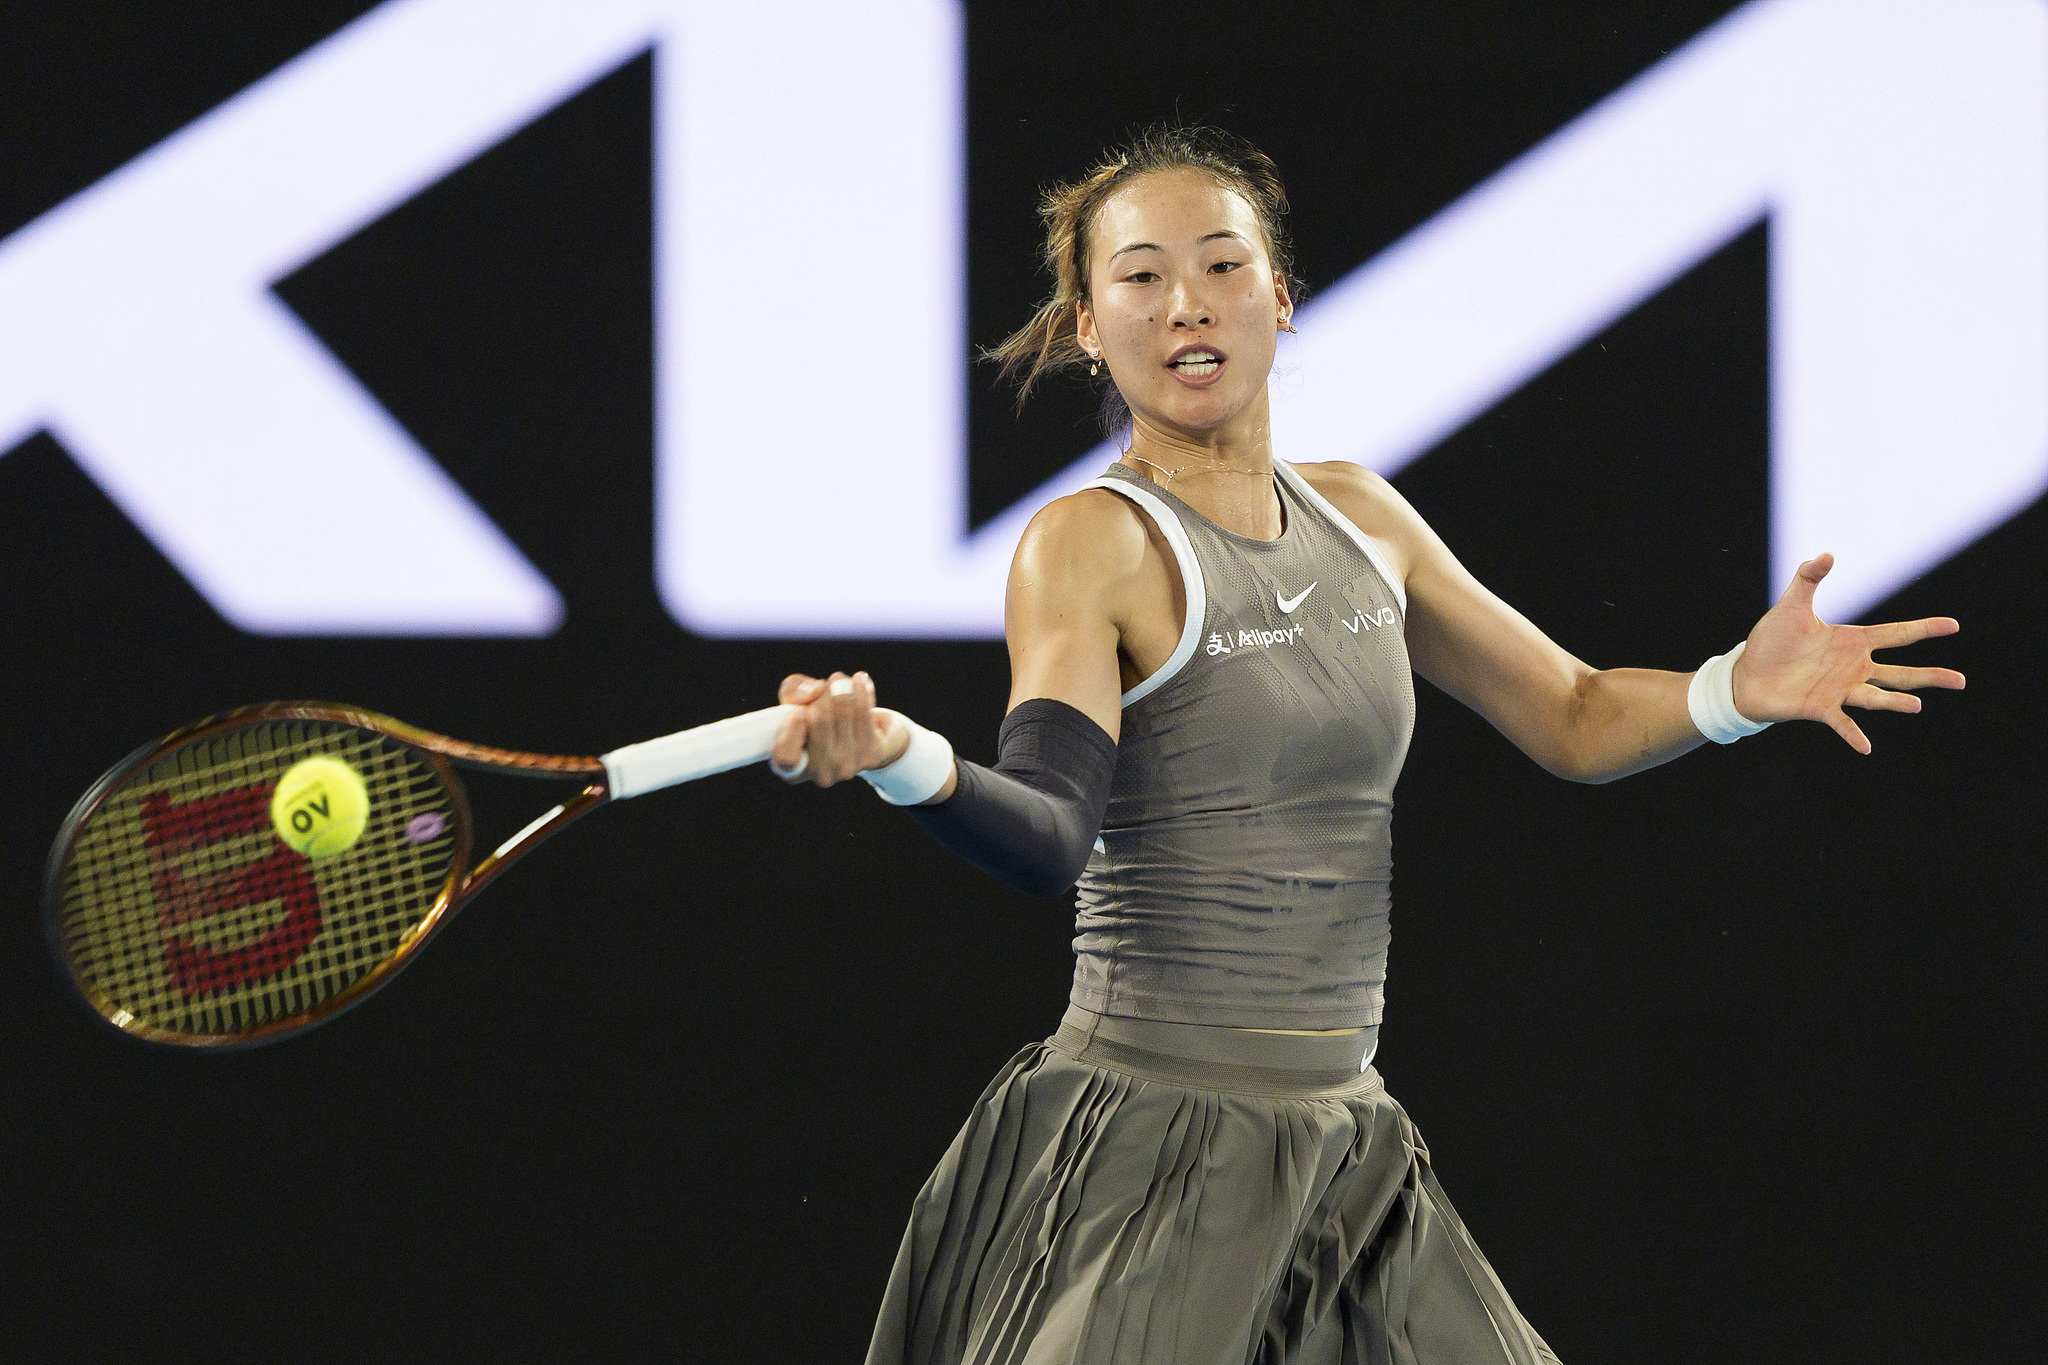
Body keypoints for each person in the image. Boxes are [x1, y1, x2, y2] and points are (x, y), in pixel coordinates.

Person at [766, 125, 1964, 1365]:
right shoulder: (1088, 544)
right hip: (1152, 1147)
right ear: (1086, 324)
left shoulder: (1363, 515)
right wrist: (902, 753)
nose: (1186, 302)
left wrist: (1730, 689)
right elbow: (1046, 837)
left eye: (1223, 265)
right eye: (1138, 276)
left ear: (1278, 298)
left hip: (1348, 1145)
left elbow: (1572, 714)